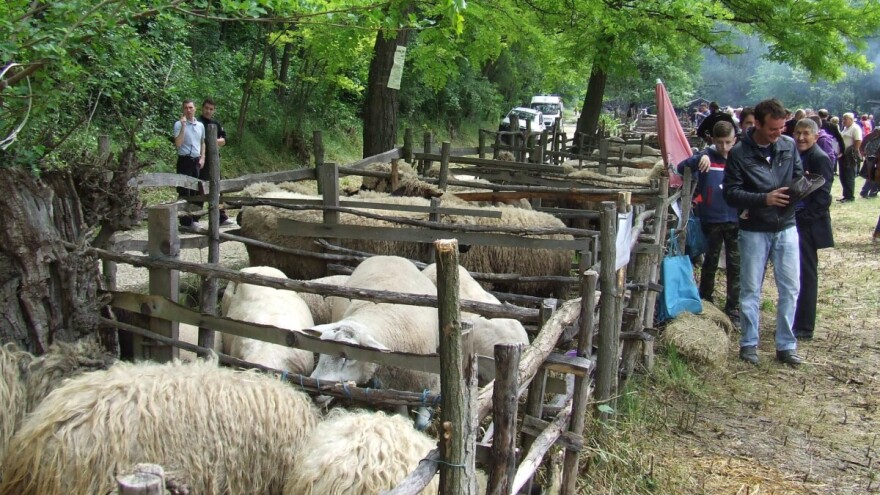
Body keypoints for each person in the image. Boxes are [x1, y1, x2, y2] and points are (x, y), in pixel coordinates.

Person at [723, 98, 803, 366]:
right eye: (773, 129)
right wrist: (763, 199)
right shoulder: (739, 153)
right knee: (750, 289)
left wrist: (799, 192)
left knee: (790, 288)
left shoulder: (789, 146)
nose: (779, 133)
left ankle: (786, 345)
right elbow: (731, 194)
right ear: (757, 123)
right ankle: (748, 344)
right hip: (755, 228)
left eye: (782, 128)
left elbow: (800, 177)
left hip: (787, 225)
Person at [676, 121, 741, 327]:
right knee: (710, 261)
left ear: (735, 140)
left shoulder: (739, 158)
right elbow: (680, 167)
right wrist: (698, 159)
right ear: (713, 140)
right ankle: (706, 298)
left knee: (735, 264)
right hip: (712, 218)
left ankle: (733, 306)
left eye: (728, 142)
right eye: (720, 142)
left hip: (736, 217)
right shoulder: (706, 157)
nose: (724, 147)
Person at [791, 118, 834, 341]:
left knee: (807, 275)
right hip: (792, 220)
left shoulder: (820, 158)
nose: (801, 137)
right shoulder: (794, 154)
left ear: (816, 136)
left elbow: (822, 198)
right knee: (793, 274)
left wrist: (802, 220)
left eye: (806, 133)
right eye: (798, 132)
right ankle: (793, 319)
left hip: (807, 224)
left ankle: (805, 327)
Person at [197, 98, 234, 226]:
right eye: (206, 108)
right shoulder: (198, 123)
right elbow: (202, 140)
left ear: (214, 110)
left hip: (214, 159)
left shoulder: (216, 124)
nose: (208, 111)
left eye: (211, 109)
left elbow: (224, 140)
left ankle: (221, 217)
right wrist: (213, 141)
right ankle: (194, 217)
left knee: (218, 187)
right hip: (201, 159)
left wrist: (215, 141)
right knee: (200, 188)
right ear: (202, 108)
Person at [172, 99, 206, 227]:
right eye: (186, 108)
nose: (189, 110)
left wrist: (202, 157)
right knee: (184, 190)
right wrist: (183, 127)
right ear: (183, 109)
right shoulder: (178, 125)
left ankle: (192, 218)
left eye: (191, 107)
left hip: (196, 160)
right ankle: (185, 221)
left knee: (196, 190)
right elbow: (178, 143)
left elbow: (202, 142)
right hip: (184, 159)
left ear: (195, 108)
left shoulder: (200, 125)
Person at [838, 112, 863, 202]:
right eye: (843, 119)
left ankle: (850, 197)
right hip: (842, 154)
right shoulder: (845, 128)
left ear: (851, 120)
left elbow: (858, 140)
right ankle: (845, 195)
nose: (843, 120)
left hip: (849, 156)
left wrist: (852, 151)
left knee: (849, 176)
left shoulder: (855, 128)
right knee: (843, 175)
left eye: (845, 119)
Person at [859, 126, 880, 198]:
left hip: (873, 157)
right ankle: (867, 192)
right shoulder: (875, 133)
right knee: (873, 176)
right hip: (873, 157)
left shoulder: (872, 134)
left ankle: (872, 192)